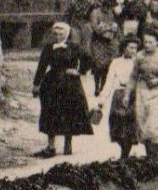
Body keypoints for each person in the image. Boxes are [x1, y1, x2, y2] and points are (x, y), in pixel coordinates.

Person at [32, 21, 94, 158]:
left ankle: (68, 144)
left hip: (70, 84)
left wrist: (79, 71)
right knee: (50, 112)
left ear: (67, 34)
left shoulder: (74, 47)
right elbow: (42, 66)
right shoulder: (49, 48)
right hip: (52, 83)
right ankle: (51, 147)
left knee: (69, 112)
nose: (58, 36)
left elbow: (89, 59)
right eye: (56, 34)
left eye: (61, 34)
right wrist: (36, 85)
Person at [93, 36, 141, 160]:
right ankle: (123, 151)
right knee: (116, 124)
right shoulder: (116, 62)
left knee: (130, 126)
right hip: (119, 95)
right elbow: (109, 81)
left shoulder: (139, 62)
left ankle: (125, 155)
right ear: (124, 48)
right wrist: (101, 99)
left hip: (133, 96)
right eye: (131, 47)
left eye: (135, 48)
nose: (133, 50)